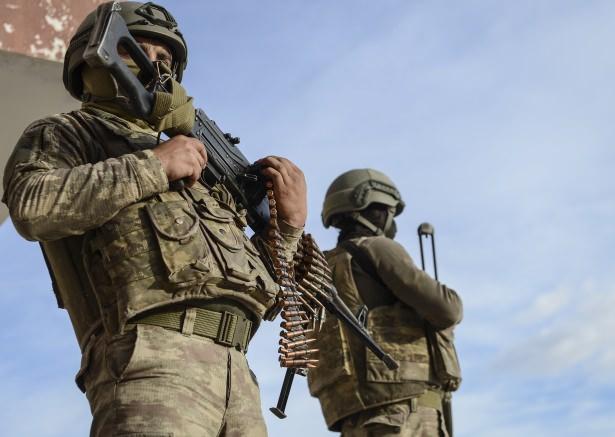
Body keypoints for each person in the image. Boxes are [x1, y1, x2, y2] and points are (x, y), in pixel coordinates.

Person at [2, 2, 307, 436]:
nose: (155, 66)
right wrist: (155, 166)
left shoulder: (198, 171)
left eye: (164, 58)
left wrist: (287, 229)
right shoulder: (68, 133)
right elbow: (33, 206)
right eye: (135, 50)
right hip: (150, 363)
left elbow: (267, 296)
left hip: (237, 374)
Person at [307, 168, 463, 437]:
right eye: (389, 210)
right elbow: (448, 309)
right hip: (405, 413)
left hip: (354, 418)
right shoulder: (377, 248)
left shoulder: (320, 268)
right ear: (374, 208)